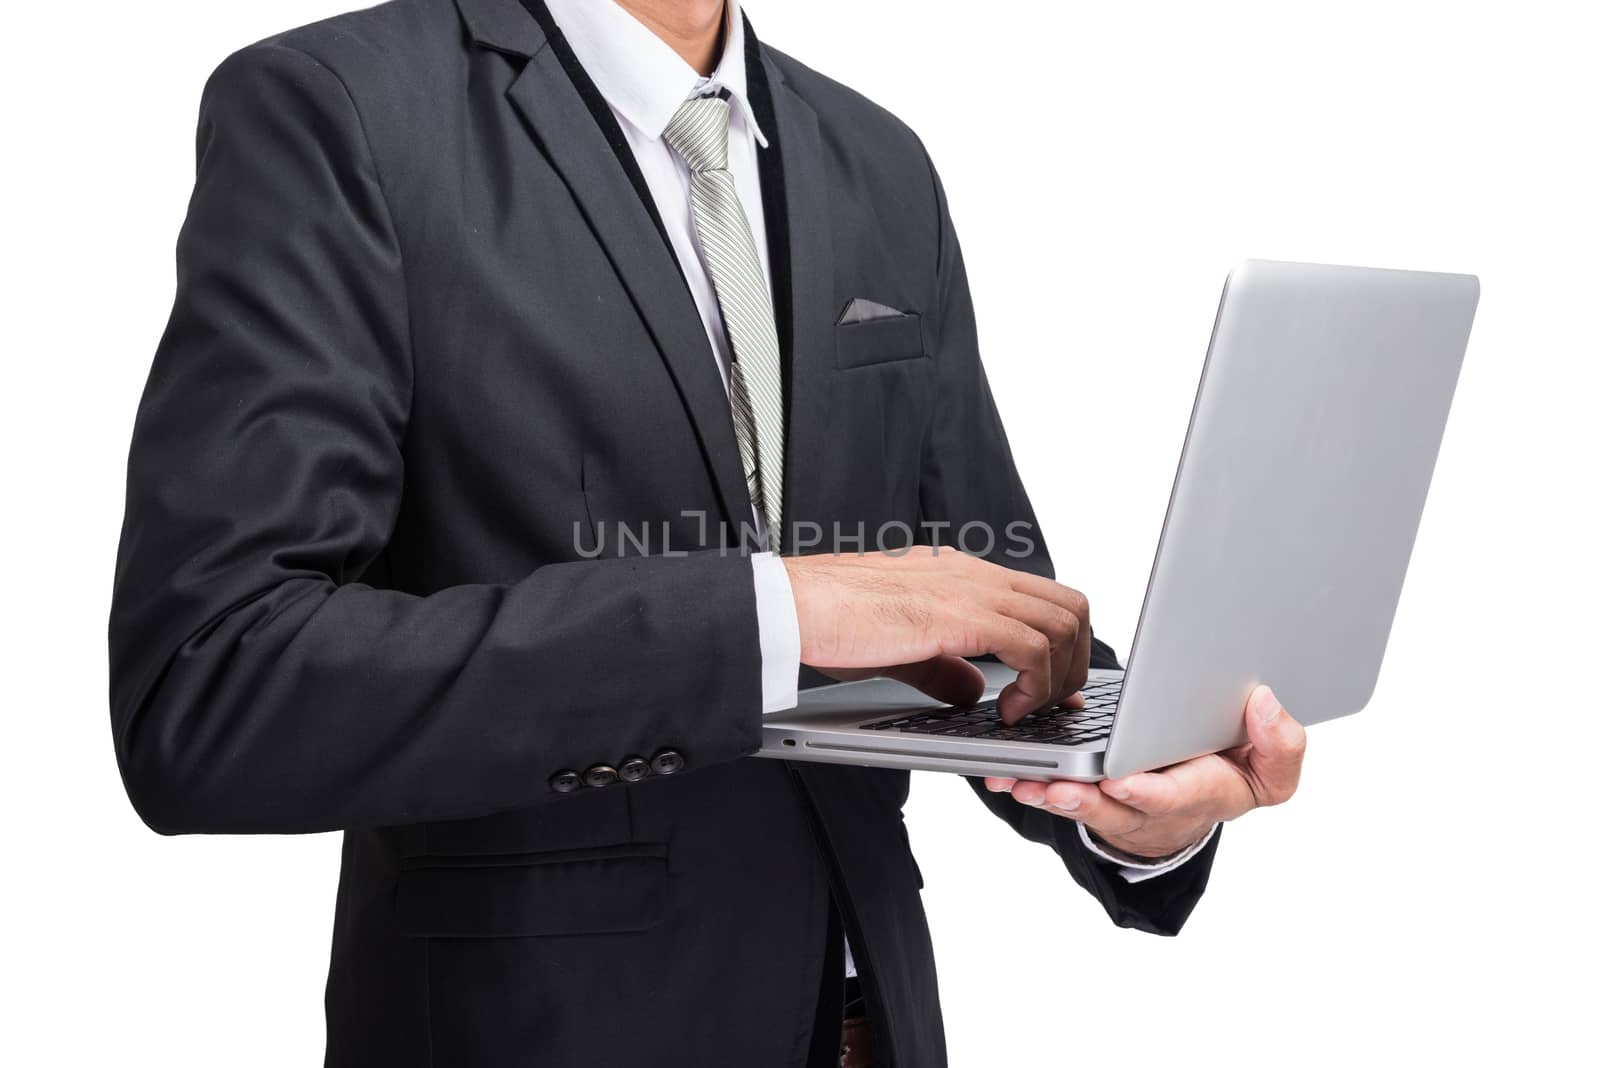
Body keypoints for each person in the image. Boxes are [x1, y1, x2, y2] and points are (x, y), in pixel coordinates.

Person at [108, 1, 1308, 1063]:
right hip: (540, 1030)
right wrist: (767, 615)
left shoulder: (877, 162)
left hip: (864, 1020)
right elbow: (212, 688)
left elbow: (989, 615)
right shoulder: (341, 111)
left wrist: (1136, 793)